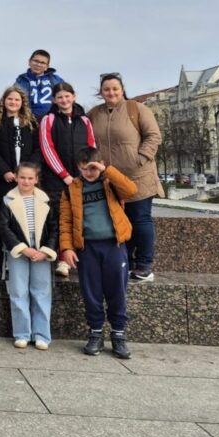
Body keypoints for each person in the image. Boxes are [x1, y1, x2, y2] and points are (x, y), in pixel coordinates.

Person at [59, 148, 137, 359]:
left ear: (100, 164)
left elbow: (131, 190)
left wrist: (106, 170)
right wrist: (67, 248)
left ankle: (118, 333)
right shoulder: (71, 189)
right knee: (91, 292)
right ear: (78, 168)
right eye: (85, 169)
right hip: (88, 249)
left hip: (114, 246)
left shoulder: (110, 182)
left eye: (93, 168)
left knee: (117, 291)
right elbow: (65, 221)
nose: (89, 173)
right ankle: (95, 332)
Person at [88, 73, 164, 283]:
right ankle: (126, 262)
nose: (111, 92)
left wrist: (141, 158)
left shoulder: (136, 109)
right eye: (106, 89)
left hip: (138, 175)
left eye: (115, 88)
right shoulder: (94, 114)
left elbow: (153, 135)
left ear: (122, 90)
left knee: (140, 219)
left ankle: (144, 265)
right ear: (101, 92)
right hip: (110, 178)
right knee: (119, 220)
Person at [0, 162, 58, 350]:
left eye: (30, 178)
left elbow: (54, 228)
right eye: (22, 177)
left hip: (41, 252)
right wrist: (22, 248)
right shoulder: (8, 199)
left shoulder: (46, 200)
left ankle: (41, 334)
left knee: (41, 292)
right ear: (16, 177)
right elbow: (4, 227)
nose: (26, 181)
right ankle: (22, 333)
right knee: (18, 292)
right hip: (18, 252)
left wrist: (46, 250)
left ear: (36, 179)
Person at [38, 82, 95, 278]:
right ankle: (60, 257)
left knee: (79, 217)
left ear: (74, 96)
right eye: (60, 97)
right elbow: (47, 148)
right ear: (54, 100)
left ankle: (76, 258)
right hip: (56, 180)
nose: (64, 100)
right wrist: (64, 175)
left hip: (81, 178)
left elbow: (91, 148)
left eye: (67, 96)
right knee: (59, 218)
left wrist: (85, 172)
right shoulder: (48, 119)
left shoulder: (85, 121)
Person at [0, 86, 41, 209]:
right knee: (4, 212)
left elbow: (38, 148)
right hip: (3, 179)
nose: (13, 102)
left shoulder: (31, 123)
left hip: (26, 178)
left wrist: (28, 170)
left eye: (17, 100)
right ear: (4, 101)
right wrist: (4, 171)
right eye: (10, 99)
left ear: (22, 102)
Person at [14, 49, 65, 120]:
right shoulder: (21, 80)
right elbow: (15, 101)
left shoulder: (55, 80)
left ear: (47, 66)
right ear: (29, 62)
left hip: (52, 121)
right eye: (36, 61)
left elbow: (67, 97)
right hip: (28, 121)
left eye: (43, 63)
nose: (38, 65)